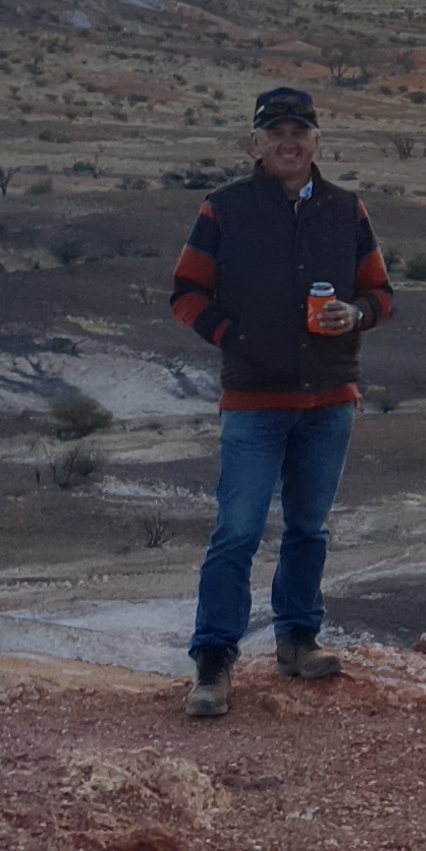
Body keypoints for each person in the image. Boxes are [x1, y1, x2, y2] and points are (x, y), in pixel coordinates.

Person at [169, 85, 392, 717]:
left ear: (317, 142)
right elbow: (185, 290)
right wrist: (233, 338)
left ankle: (298, 640)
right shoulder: (224, 210)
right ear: (257, 144)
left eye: (300, 132)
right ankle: (213, 663)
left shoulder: (348, 211)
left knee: (308, 527)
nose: (289, 143)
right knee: (237, 530)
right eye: (276, 133)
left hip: (329, 397)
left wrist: (357, 314)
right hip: (254, 399)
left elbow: (382, 293)